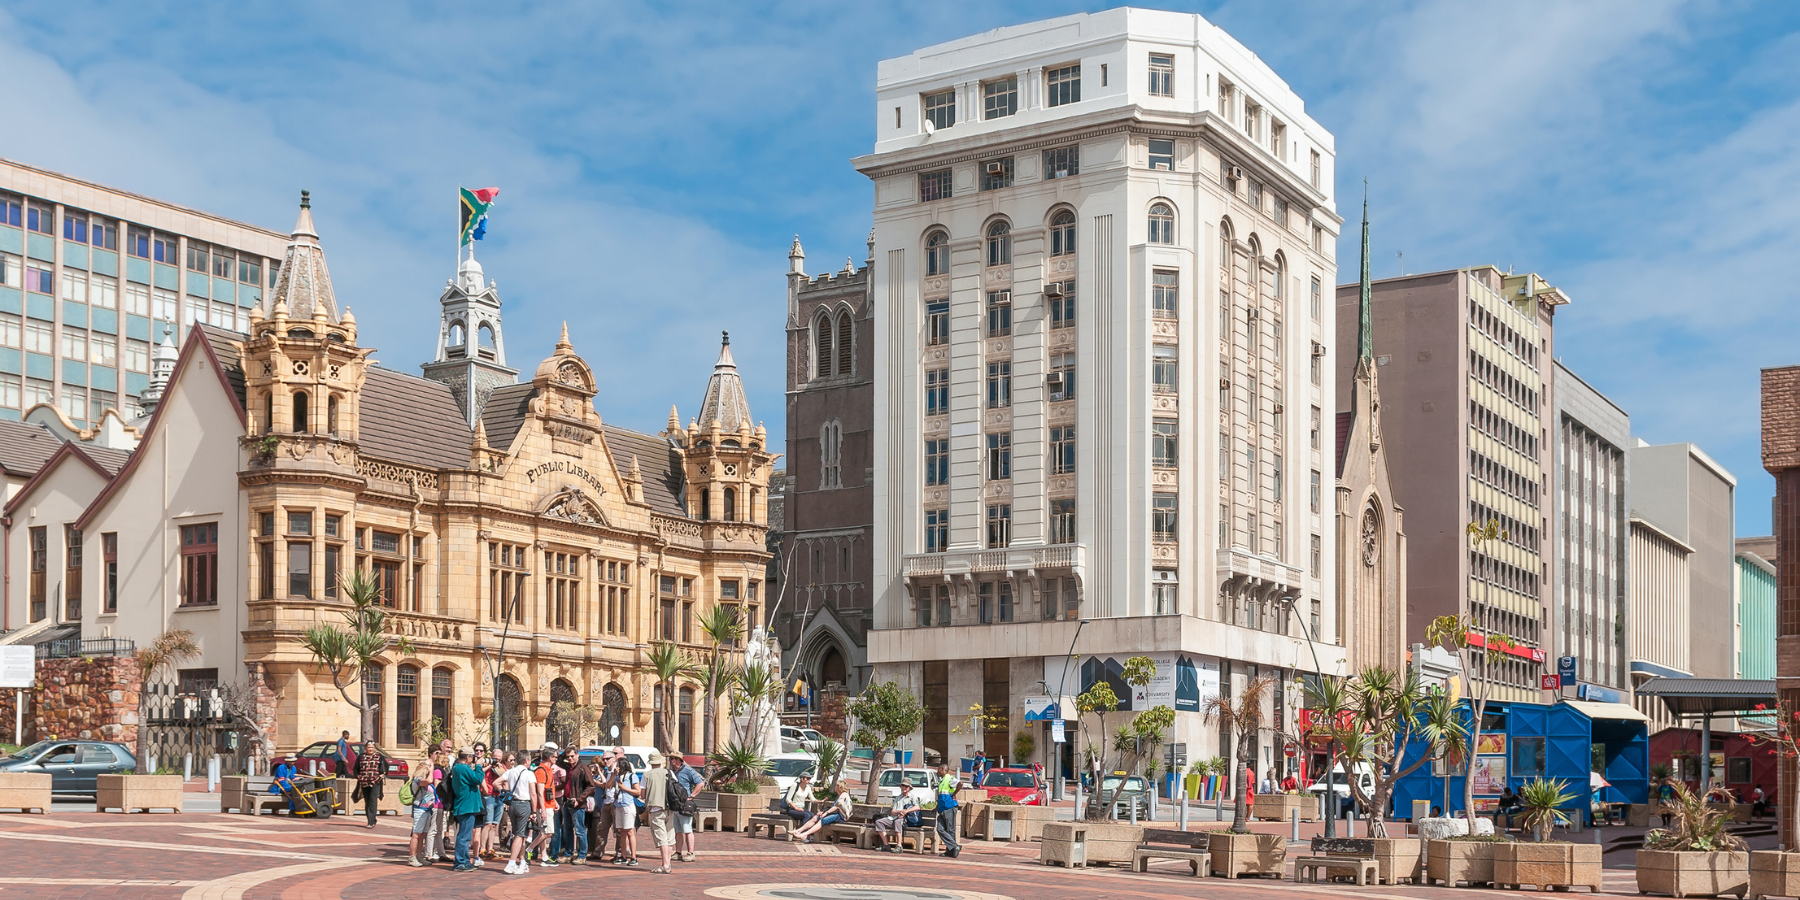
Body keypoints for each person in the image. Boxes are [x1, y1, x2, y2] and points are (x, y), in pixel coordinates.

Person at [500, 752, 539, 875]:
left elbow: (496, 782)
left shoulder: (510, 771)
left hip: (513, 804)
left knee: (520, 834)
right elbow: (533, 793)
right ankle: (511, 862)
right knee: (520, 834)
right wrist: (534, 811)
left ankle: (522, 861)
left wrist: (505, 793)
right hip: (524, 804)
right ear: (527, 760)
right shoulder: (529, 774)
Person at [449, 747, 485, 872]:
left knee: (464, 836)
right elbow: (478, 779)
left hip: (466, 805)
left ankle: (463, 860)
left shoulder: (459, 768)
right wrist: (479, 766)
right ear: (468, 757)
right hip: (466, 805)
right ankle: (460, 862)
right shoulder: (462, 768)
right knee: (464, 836)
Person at [641, 750, 676, 875]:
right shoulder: (669, 772)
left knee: (661, 838)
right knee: (669, 837)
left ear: (651, 763)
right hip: (670, 808)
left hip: (656, 808)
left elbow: (642, 794)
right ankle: (668, 863)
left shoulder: (647, 775)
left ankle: (665, 865)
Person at [669, 754, 707, 862]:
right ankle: (678, 852)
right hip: (675, 805)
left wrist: (692, 796)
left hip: (684, 805)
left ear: (679, 760)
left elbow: (700, 783)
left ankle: (691, 852)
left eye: (672, 759)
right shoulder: (672, 772)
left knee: (687, 829)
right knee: (678, 830)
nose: (670, 761)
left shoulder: (688, 770)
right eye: (670, 759)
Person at [559, 748, 592, 864]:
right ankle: (568, 853)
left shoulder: (583, 768)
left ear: (577, 755)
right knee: (567, 829)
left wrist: (580, 799)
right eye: (568, 757)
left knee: (580, 830)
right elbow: (559, 761)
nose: (570, 759)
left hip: (577, 804)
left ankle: (582, 855)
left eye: (572, 756)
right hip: (567, 801)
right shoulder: (569, 768)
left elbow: (591, 786)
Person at [406, 755, 440, 866]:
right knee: (416, 833)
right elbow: (430, 780)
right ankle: (412, 857)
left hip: (427, 809)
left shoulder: (424, 780)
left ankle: (419, 856)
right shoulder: (418, 780)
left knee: (423, 834)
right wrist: (430, 771)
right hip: (420, 809)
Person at [612, 756, 642, 866]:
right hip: (618, 804)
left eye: (618, 765)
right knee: (621, 831)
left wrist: (624, 788)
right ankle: (623, 856)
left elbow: (638, 792)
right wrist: (614, 775)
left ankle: (633, 857)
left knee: (629, 831)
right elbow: (609, 785)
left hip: (628, 805)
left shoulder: (631, 776)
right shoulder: (617, 776)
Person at [934, 764, 961, 859]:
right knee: (940, 829)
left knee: (950, 830)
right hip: (942, 808)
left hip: (949, 807)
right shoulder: (941, 781)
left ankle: (951, 851)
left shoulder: (949, 778)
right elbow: (941, 796)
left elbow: (960, 784)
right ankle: (954, 846)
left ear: (942, 769)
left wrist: (954, 794)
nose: (937, 771)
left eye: (938, 769)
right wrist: (937, 807)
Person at [354, 742, 384, 828]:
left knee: (373, 801)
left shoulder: (379, 757)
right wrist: (357, 776)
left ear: (374, 748)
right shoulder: (361, 757)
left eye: (372, 747)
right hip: (364, 782)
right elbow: (356, 769)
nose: (370, 749)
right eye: (368, 747)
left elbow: (385, 767)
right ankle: (371, 819)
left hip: (375, 782)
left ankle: (371, 821)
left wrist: (382, 775)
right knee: (367, 801)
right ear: (365, 748)